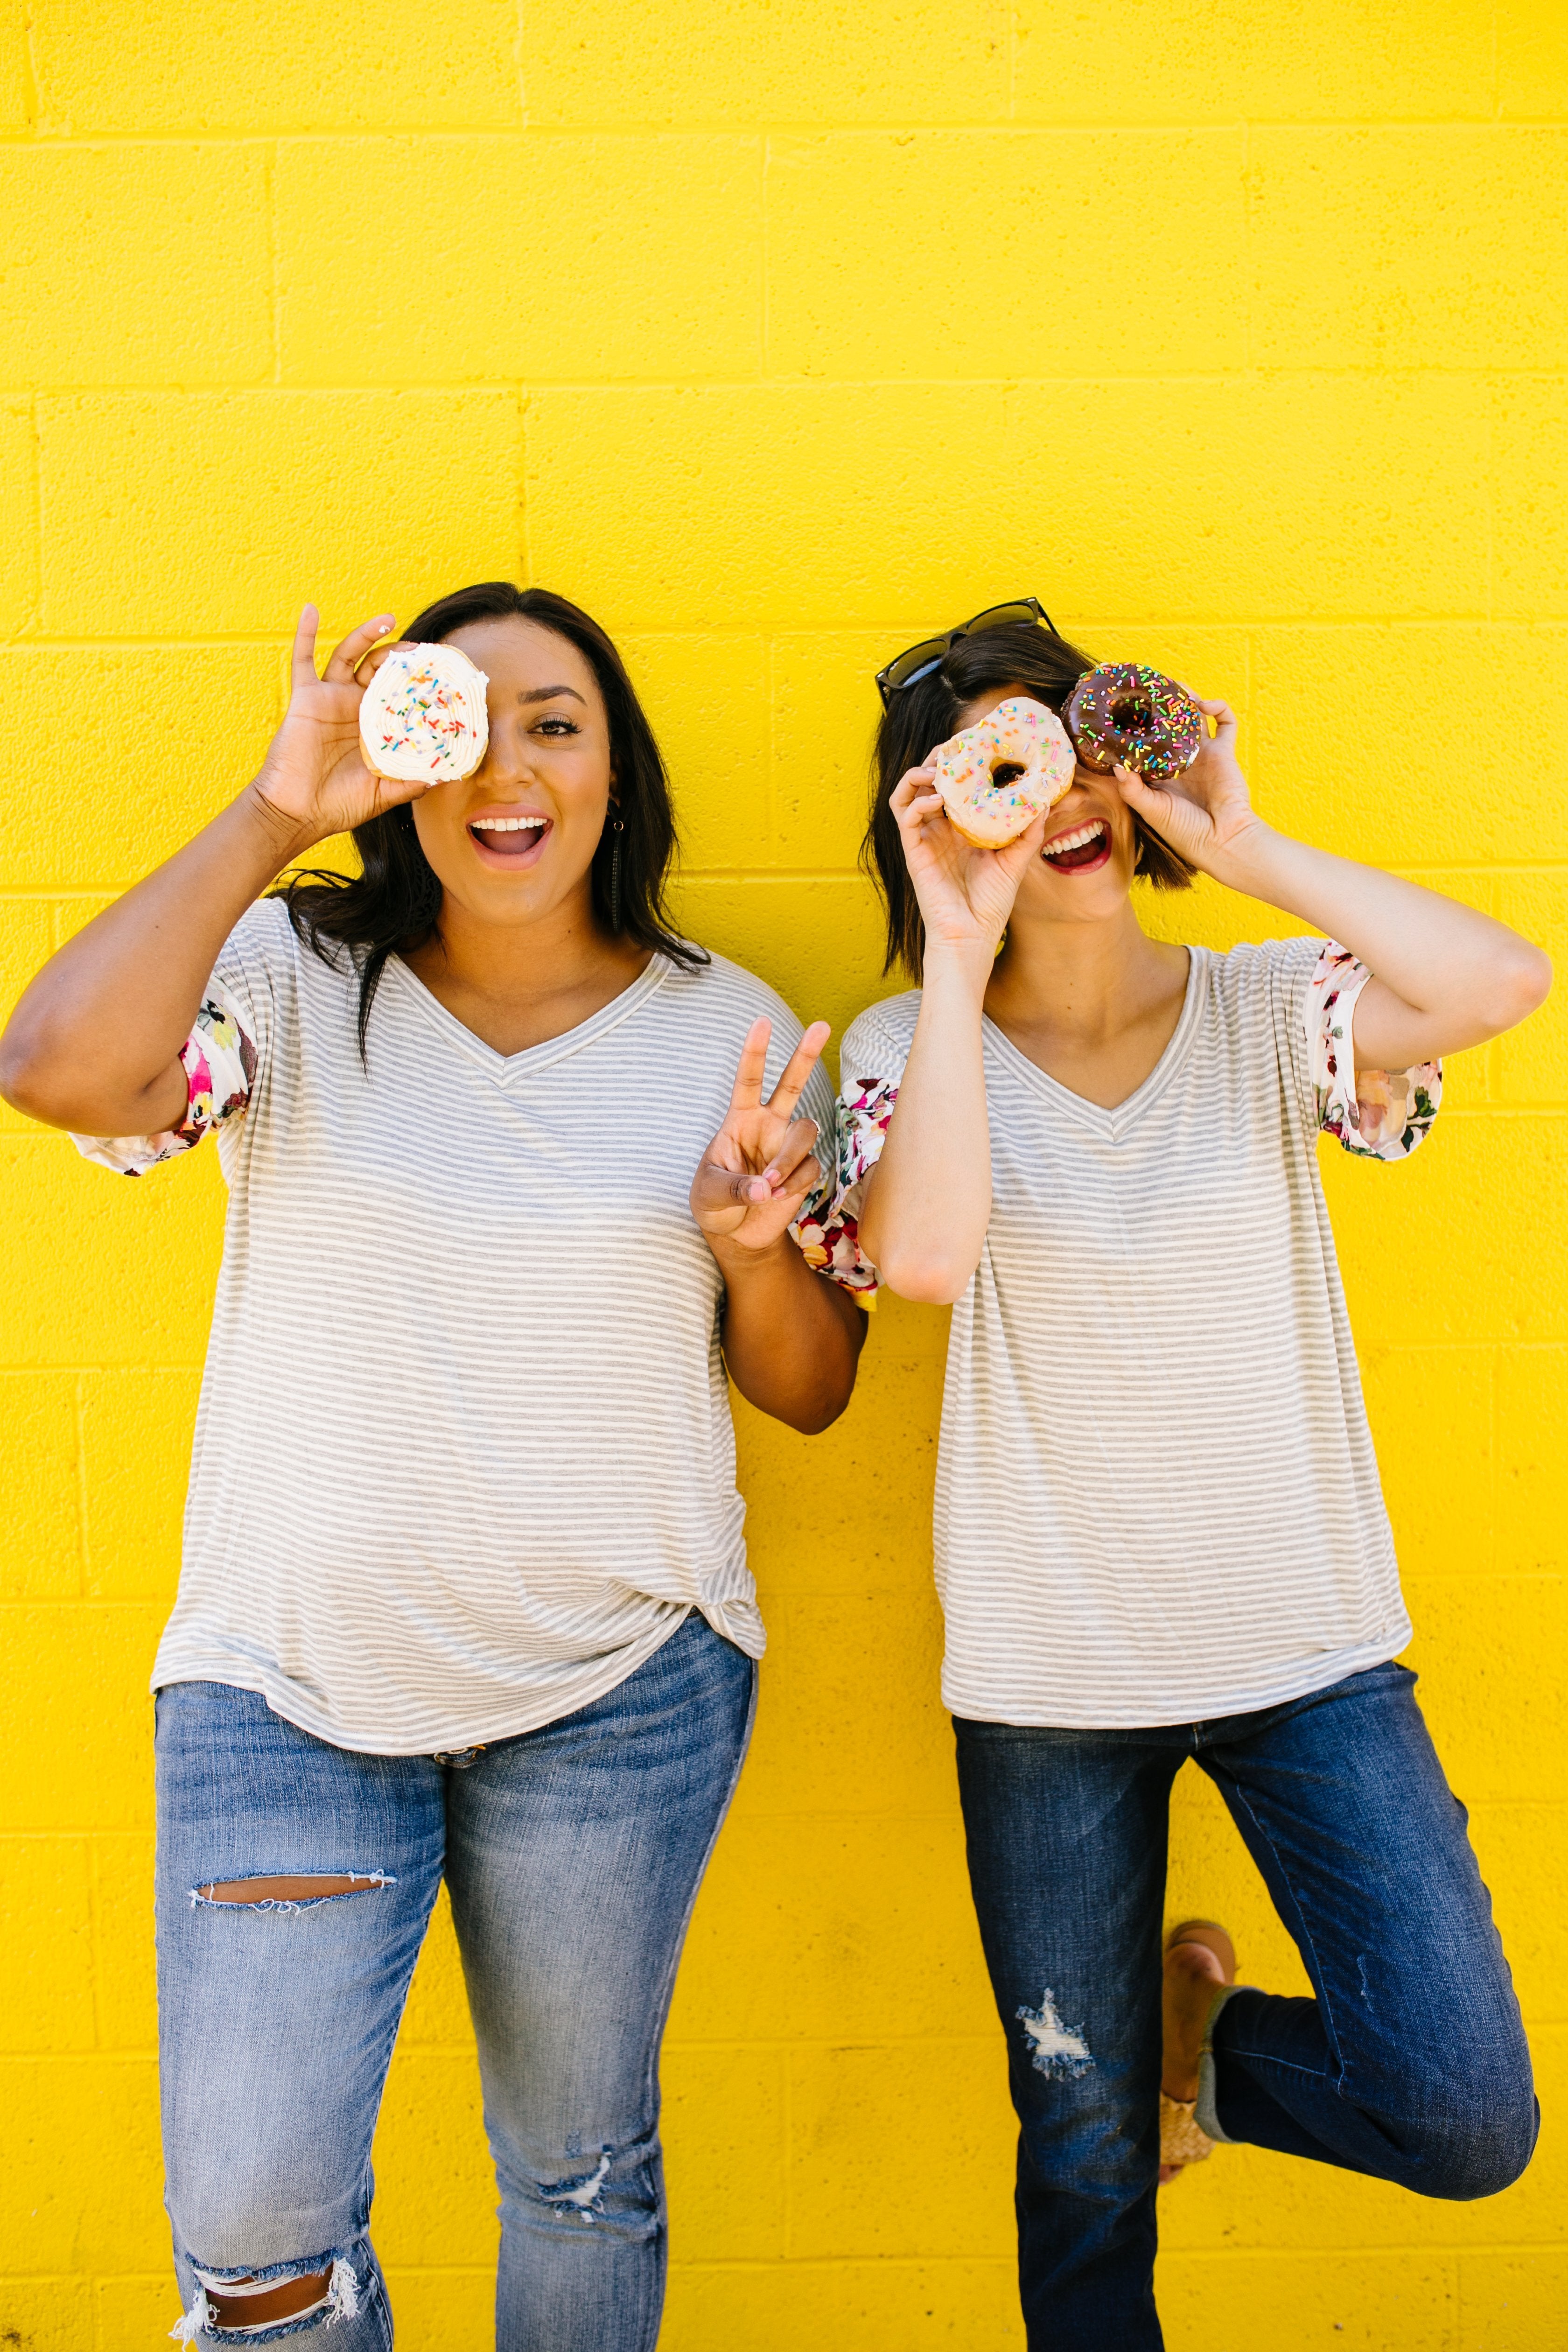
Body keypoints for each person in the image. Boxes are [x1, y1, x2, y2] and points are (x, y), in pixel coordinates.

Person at [0, 581, 864, 2351]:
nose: (508, 765)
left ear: (618, 771)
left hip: (620, 1693)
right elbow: (58, 1069)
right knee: (252, 2240)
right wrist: (271, 815)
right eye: (454, 723)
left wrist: (755, 1244)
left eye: (555, 720)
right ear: (399, 765)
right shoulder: (292, 983)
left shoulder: (730, 1029)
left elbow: (809, 1393)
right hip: (287, 1685)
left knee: (578, 2174)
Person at [802, 601, 1548, 2347]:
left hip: (1306, 1648)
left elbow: (1501, 983)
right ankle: (1144, 2080)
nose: (1044, 794)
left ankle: (1203, 2052)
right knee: (1078, 2158)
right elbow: (923, 1262)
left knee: (1463, 2115)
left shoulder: (1272, 1009)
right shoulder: (902, 1050)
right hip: (1050, 1683)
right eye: (990, 766)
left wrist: (1250, 837)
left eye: (1066, 747)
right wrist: (959, 954)